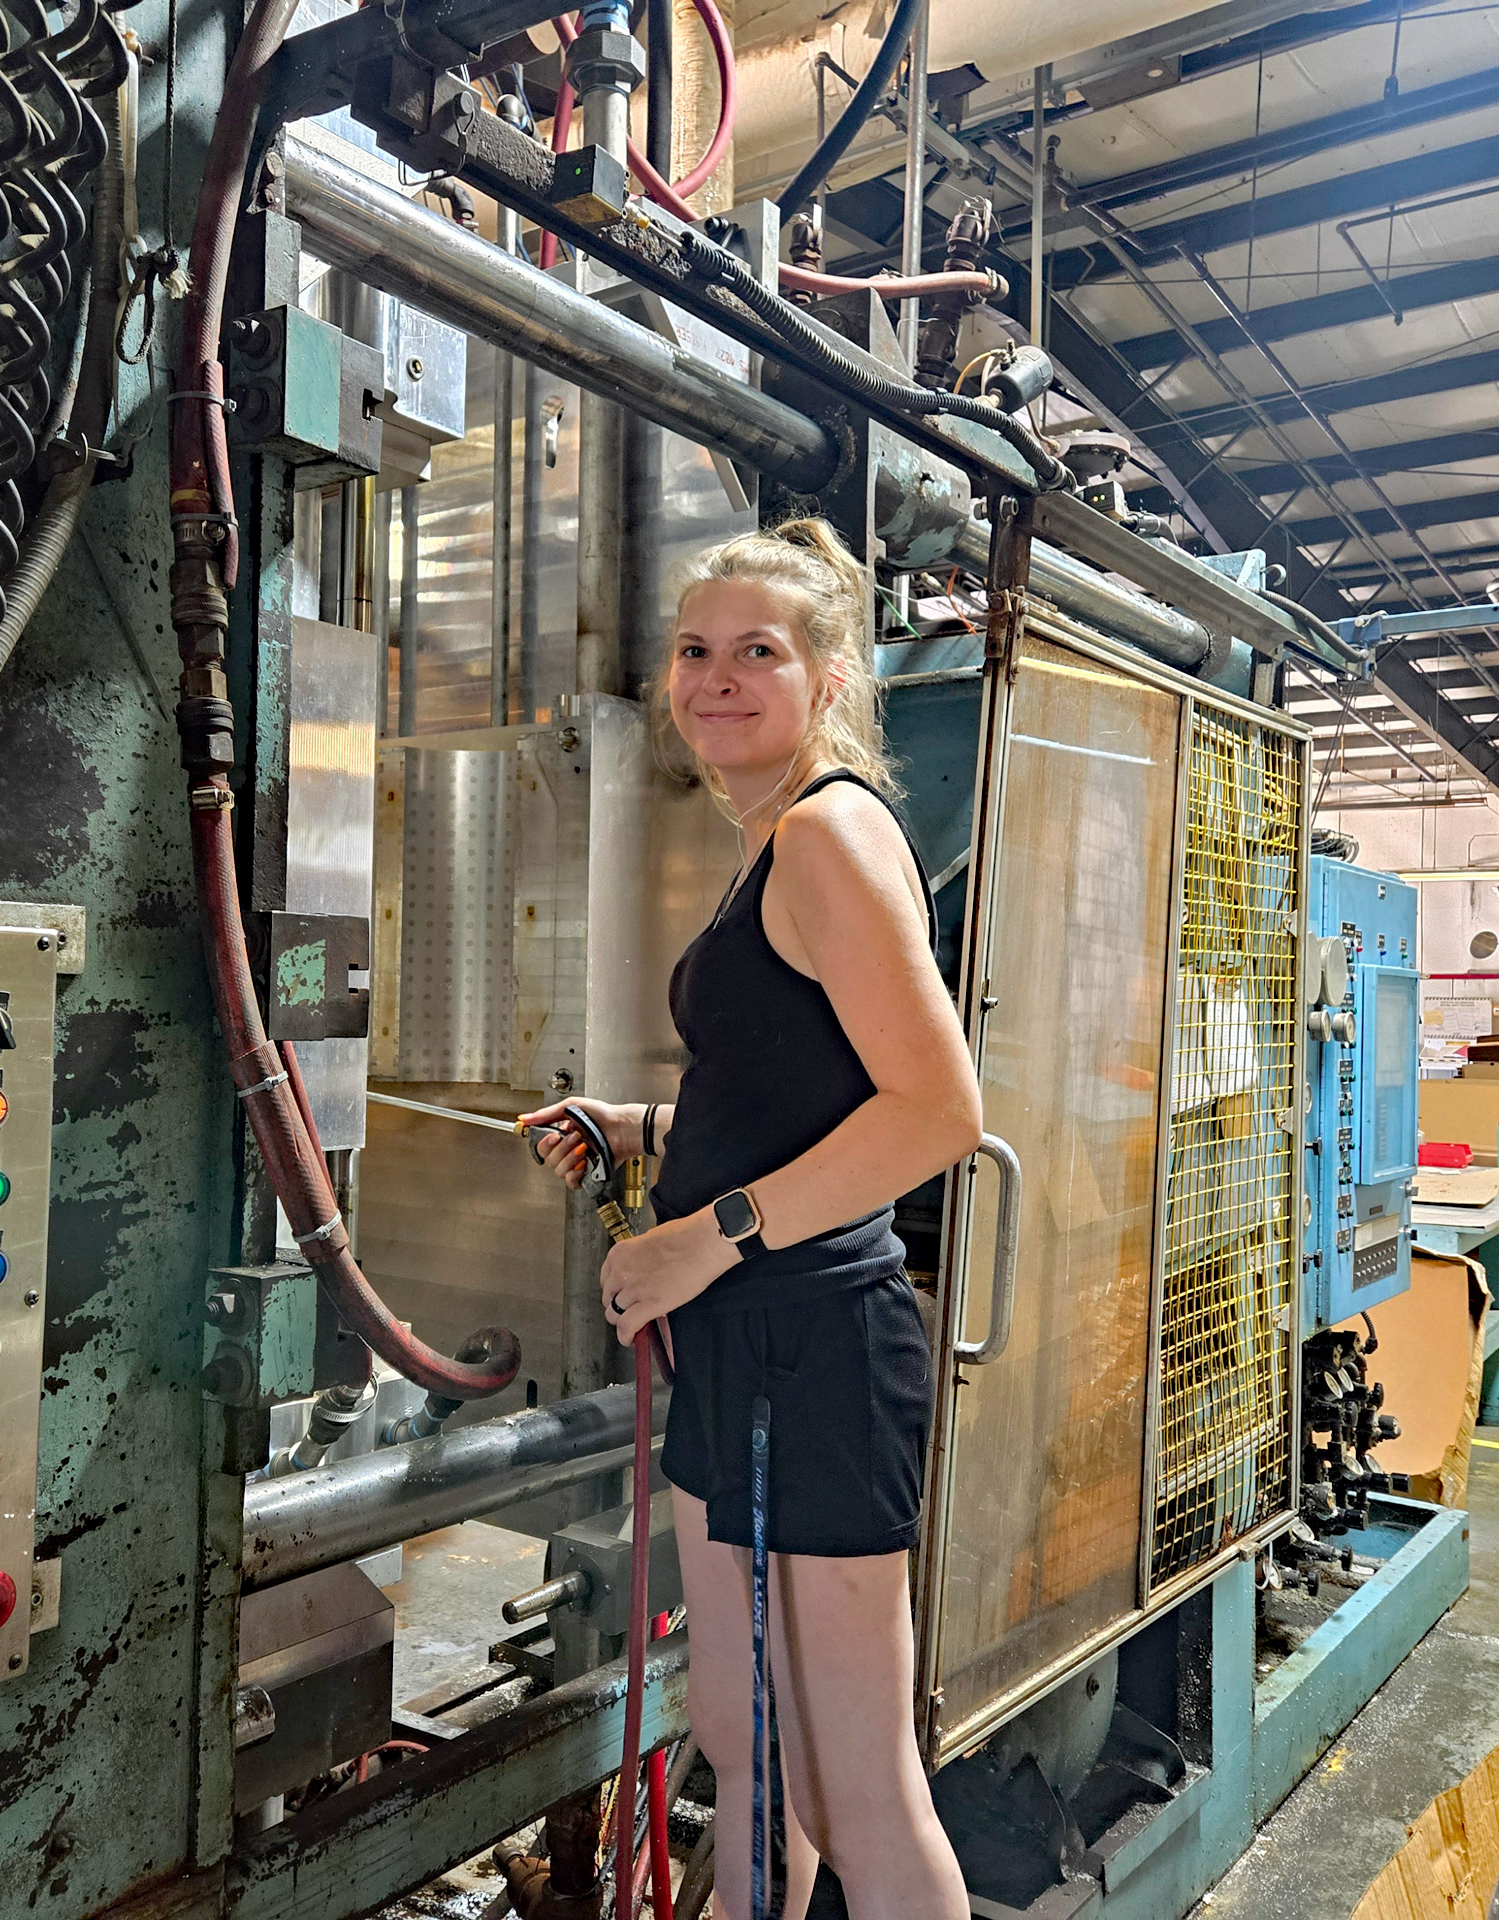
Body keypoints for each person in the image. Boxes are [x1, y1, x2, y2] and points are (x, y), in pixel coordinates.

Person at [522, 518, 979, 1918]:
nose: (716, 678)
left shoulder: (827, 835)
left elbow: (935, 1113)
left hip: (812, 1347)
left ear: (828, 678)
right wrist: (647, 1132)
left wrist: (698, 1236)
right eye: (695, 650)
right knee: (742, 1735)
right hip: (743, 1340)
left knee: (849, 1789)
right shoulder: (774, 839)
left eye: (758, 652)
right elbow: (801, 1091)